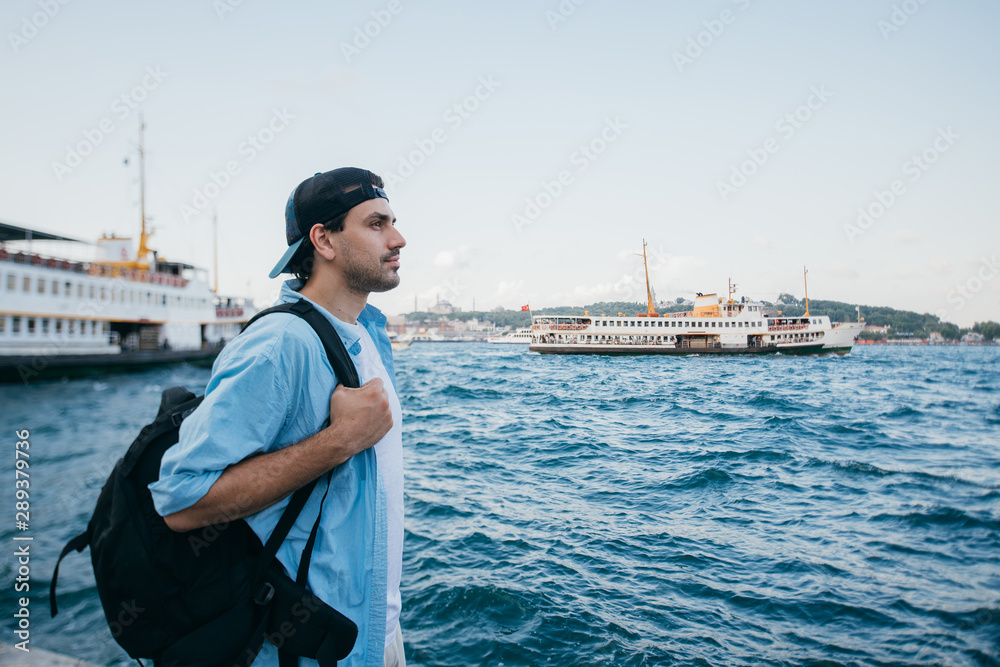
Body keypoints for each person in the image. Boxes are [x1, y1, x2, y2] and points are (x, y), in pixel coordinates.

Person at [149, 167, 408, 667]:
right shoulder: (278, 346)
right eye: (376, 224)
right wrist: (339, 441)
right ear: (324, 241)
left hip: (372, 632)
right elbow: (180, 502)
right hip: (305, 649)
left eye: (392, 222)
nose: (398, 238)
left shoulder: (370, 334)